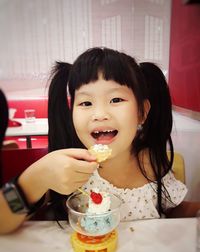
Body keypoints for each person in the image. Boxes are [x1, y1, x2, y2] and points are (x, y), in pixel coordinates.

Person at [0, 47, 200, 234]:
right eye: (86, 102)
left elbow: (173, 210)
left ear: (142, 112)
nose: (100, 114)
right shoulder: (65, 167)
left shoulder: (153, 163)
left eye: (116, 100)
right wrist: (35, 179)